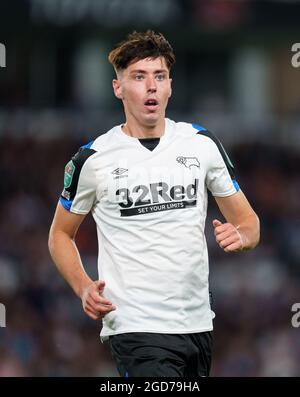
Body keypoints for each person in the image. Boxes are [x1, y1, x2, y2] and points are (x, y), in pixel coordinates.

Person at [48, 30, 260, 377]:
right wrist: (83, 286)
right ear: (118, 88)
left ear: (170, 86)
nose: (151, 86)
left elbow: (249, 222)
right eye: (139, 77)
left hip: (197, 324)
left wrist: (243, 237)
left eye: (159, 76)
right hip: (134, 326)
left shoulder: (201, 144)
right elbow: (60, 234)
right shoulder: (94, 159)